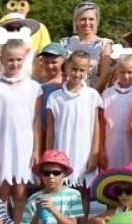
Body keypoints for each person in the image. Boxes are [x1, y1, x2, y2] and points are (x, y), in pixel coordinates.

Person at [0, 39, 43, 217]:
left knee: (20, 193)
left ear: (24, 59)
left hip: (24, 147)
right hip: (2, 147)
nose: (14, 64)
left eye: (18, 60)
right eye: (10, 60)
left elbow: (36, 121)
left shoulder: (34, 87)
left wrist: (36, 150)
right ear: (2, 59)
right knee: (2, 192)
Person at [42, 51, 104, 215]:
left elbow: (96, 126)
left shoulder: (92, 95)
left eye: (82, 70)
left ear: (88, 70)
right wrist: (49, 156)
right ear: (67, 67)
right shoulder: (55, 97)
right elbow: (50, 129)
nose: (77, 73)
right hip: (62, 152)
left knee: (82, 193)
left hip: (84, 153)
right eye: (74, 69)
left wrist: (94, 154)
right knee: (61, 193)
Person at [100, 52, 132, 172]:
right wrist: (101, 150)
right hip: (111, 148)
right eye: (122, 72)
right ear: (117, 71)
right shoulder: (107, 94)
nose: (126, 76)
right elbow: (102, 124)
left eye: (130, 72)